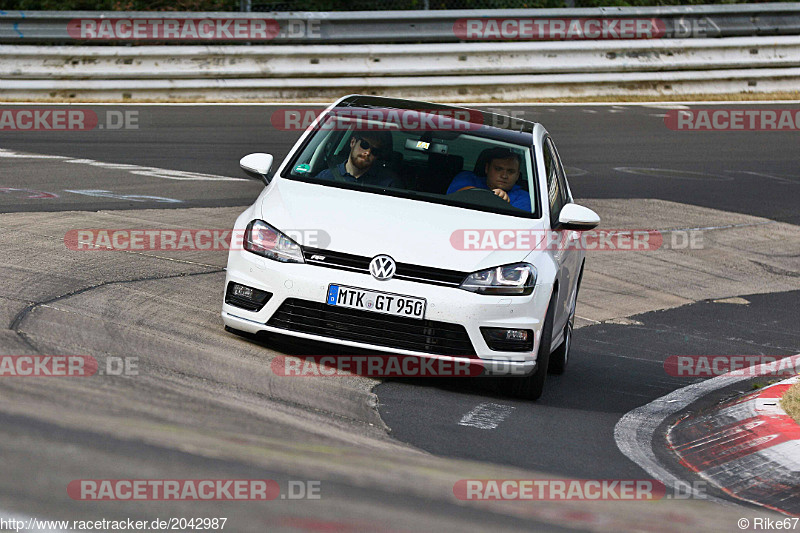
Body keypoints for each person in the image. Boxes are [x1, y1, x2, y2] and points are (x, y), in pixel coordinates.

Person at [446, 147, 531, 212]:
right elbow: (456, 195)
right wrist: (492, 195)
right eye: (498, 169)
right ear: (487, 168)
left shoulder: (524, 198)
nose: (504, 176)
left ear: (517, 175)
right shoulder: (467, 178)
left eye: (511, 171)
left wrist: (503, 203)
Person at [315, 130, 399, 188]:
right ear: (353, 142)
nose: (368, 152)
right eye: (364, 145)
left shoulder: (387, 184)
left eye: (375, 151)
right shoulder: (326, 177)